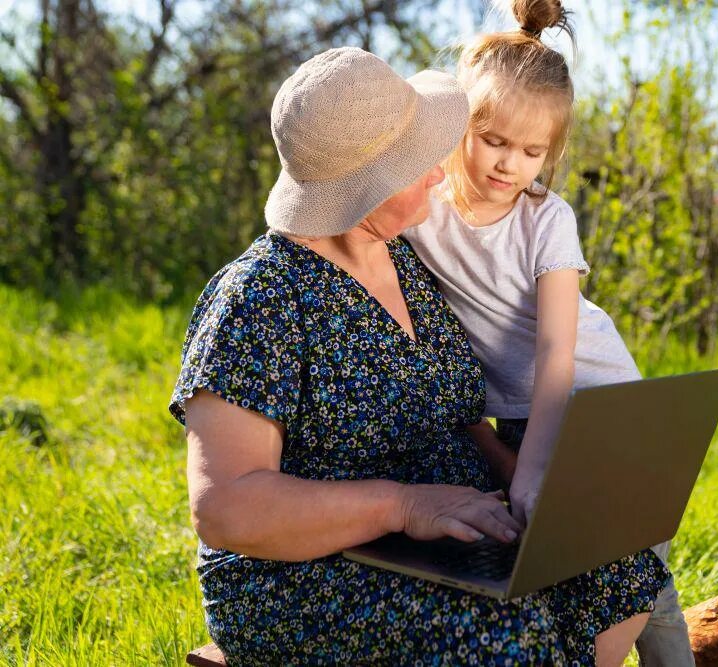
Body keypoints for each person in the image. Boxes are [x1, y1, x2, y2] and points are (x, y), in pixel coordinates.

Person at [170, 46, 668, 666]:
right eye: (416, 163)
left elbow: (455, 415)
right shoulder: (259, 297)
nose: (440, 170)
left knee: (615, 569)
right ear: (364, 190)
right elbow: (226, 509)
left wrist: (523, 483)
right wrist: (406, 504)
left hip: (447, 531)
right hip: (306, 573)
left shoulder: (405, 259)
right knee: (503, 630)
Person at [401, 1, 696, 664]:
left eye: (533, 151)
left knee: (640, 579)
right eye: (495, 141)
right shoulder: (423, 214)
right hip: (520, 415)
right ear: (459, 128)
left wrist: (530, 472)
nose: (511, 165)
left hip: (605, 404)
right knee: (558, 573)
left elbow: (557, 354)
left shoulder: (547, 219)